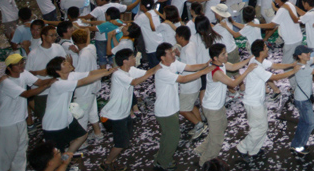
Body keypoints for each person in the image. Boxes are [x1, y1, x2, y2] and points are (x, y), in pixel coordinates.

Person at [236, 40, 301, 161]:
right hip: (253, 103)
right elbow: (274, 77)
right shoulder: (256, 66)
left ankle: (254, 150)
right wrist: (293, 71)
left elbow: (274, 66)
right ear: (261, 51)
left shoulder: (258, 60)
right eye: (265, 47)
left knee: (262, 127)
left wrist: (292, 65)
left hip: (258, 100)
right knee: (259, 128)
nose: (267, 49)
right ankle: (242, 148)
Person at [152, 42, 213, 171]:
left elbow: (189, 67)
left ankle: (160, 157)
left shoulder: (173, 64)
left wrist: (204, 64)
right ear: (162, 57)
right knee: (173, 137)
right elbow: (183, 79)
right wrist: (204, 71)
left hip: (171, 108)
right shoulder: (162, 72)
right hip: (165, 110)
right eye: (171, 53)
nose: (174, 54)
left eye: (173, 51)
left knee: (167, 136)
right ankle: (164, 162)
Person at [195, 43, 256, 166]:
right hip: (212, 108)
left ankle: (200, 149)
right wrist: (247, 71)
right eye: (223, 54)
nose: (226, 55)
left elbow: (233, 67)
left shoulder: (220, 64)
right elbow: (233, 84)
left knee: (221, 127)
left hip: (216, 106)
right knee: (217, 139)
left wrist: (248, 60)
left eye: (225, 52)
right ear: (215, 58)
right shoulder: (216, 71)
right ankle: (204, 162)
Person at [98, 48, 158, 171]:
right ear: (125, 61)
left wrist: (159, 67)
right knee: (122, 143)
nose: (135, 59)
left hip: (123, 114)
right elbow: (134, 82)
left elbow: (146, 72)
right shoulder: (118, 74)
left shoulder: (130, 70)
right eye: (132, 57)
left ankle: (112, 161)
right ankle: (106, 163)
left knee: (126, 138)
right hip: (113, 115)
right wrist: (153, 72)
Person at [42, 56, 112, 155]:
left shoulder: (70, 75)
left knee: (82, 136)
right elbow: (82, 82)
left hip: (66, 118)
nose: (68, 63)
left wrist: (108, 70)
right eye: (64, 63)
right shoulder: (58, 84)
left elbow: (90, 73)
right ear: (58, 71)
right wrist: (105, 73)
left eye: (66, 61)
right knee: (55, 154)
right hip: (54, 123)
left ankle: (67, 157)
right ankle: (63, 161)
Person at [0, 54, 54, 171]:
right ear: (9, 68)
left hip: (20, 120)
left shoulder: (24, 73)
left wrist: (56, 78)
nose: (21, 66)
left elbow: (39, 82)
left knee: (21, 151)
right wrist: (49, 84)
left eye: (21, 63)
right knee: (6, 155)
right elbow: (27, 94)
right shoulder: (6, 83)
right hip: (8, 124)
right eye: (17, 64)